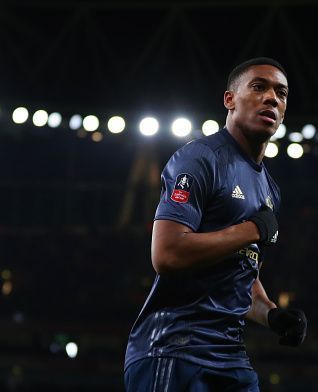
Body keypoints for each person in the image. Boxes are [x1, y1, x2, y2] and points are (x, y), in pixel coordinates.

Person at [124, 57, 307, 391]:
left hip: (231, 356)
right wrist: (251, 230)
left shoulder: (269, 189)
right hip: (174, 349)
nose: (271, 98)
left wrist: (271, 314)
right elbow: (166, 254)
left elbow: (242, 272)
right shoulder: (200, 158)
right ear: (229, 100)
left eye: (281, 93)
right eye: (258, 87)